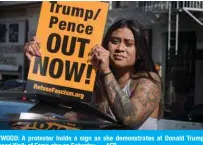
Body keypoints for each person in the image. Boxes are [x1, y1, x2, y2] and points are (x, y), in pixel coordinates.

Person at [24, 19, 162, 130]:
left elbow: (129, 118)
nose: (120, 48)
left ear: (139, 52)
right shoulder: (93, 80)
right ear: (105, 46)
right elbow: (52, 101)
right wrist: (35, 63)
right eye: (114, 42)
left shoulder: (149, 80)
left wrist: (106, 71)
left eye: (128, 44)